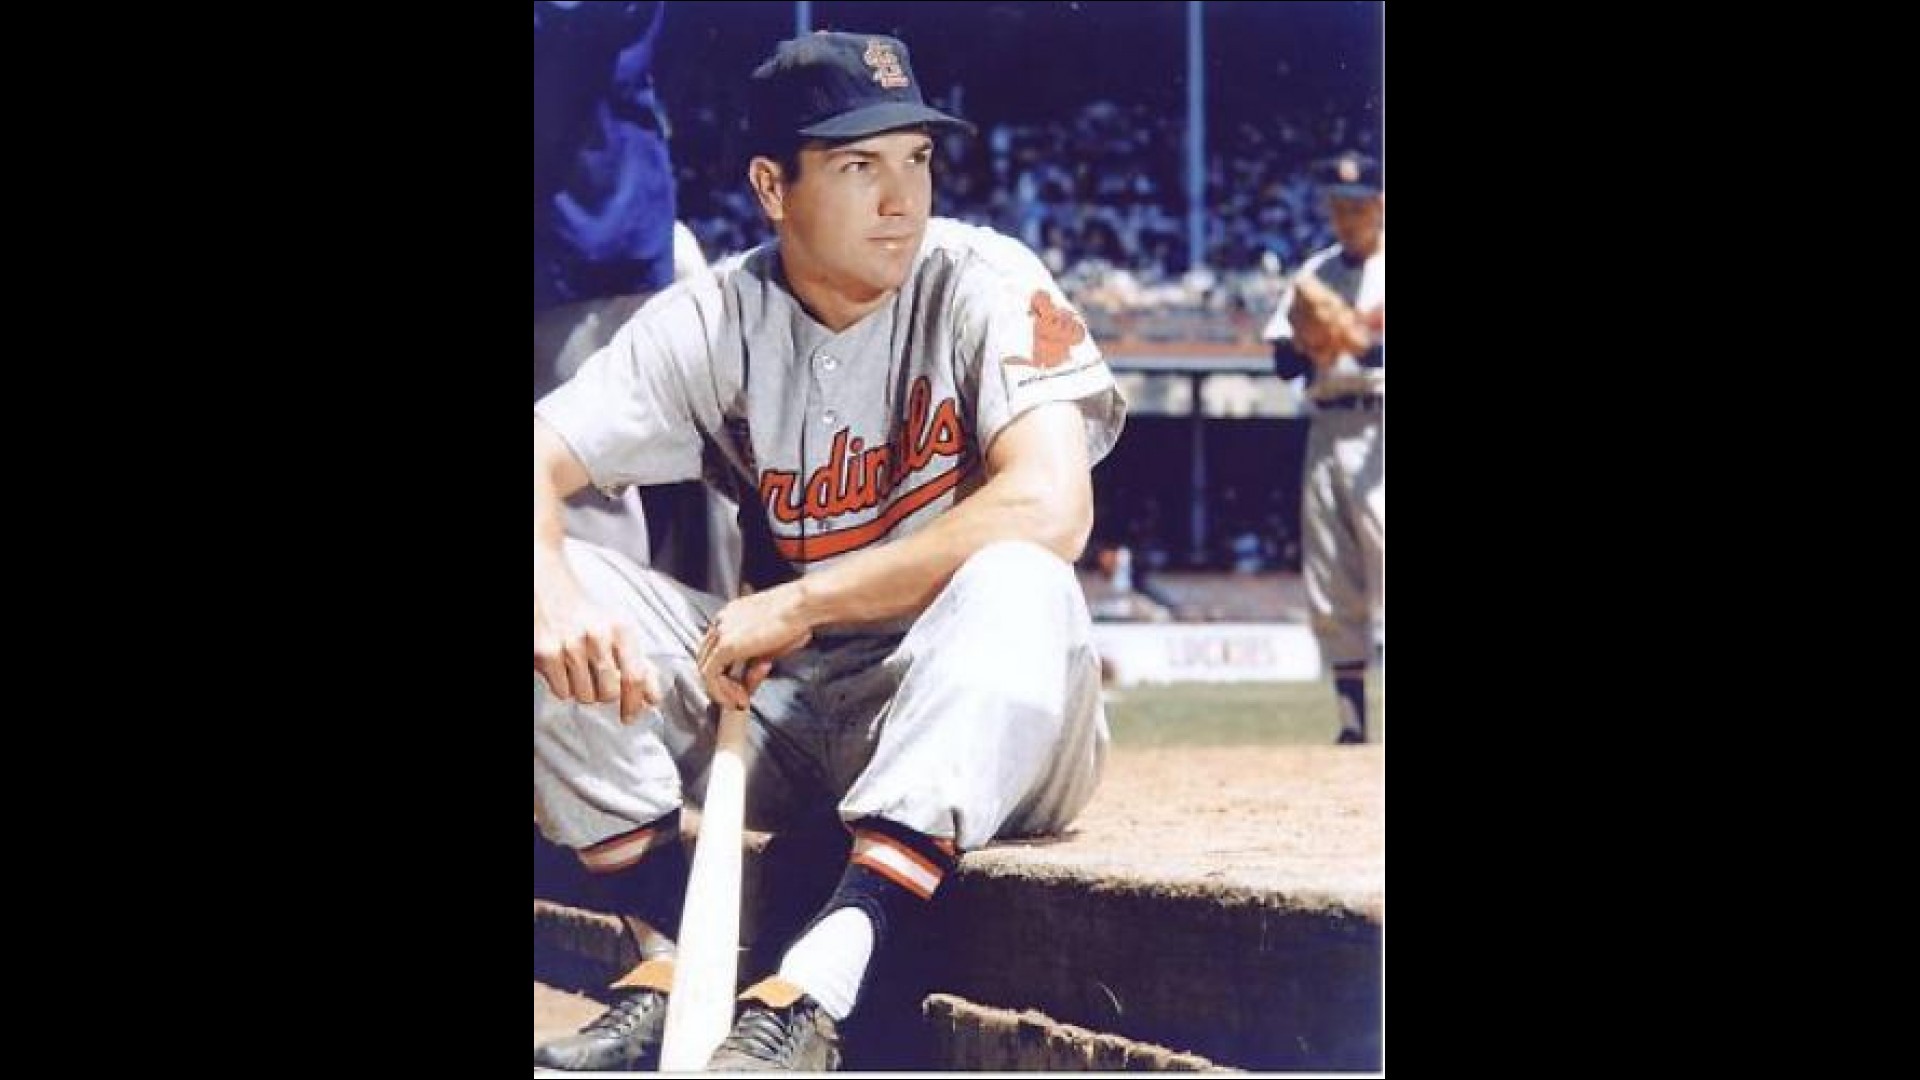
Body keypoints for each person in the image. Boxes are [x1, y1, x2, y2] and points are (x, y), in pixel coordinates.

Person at [532, 30, 1126, 1072]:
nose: (902, 199)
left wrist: (803, 601)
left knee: (1020, 576)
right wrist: (553, 591)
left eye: (917, 159)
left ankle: (814, 989)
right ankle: (675, 960)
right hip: (795, 716)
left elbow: (1050, 507)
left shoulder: (983, 279)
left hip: (987, 711)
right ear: (773, 187)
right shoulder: (717, 314)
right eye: (859, 166)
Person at [1261, 151, 1384, 745]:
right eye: (1338, 206)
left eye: (1356, 206)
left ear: (1380, 206)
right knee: (1330, 570)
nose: (1346, 217)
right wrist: (1310, 343)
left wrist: (1361, 341)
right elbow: (1282, 363)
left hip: (1380, 421)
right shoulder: (1316, 272)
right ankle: (1352, 722)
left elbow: (1372, 351)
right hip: (1328, 422)